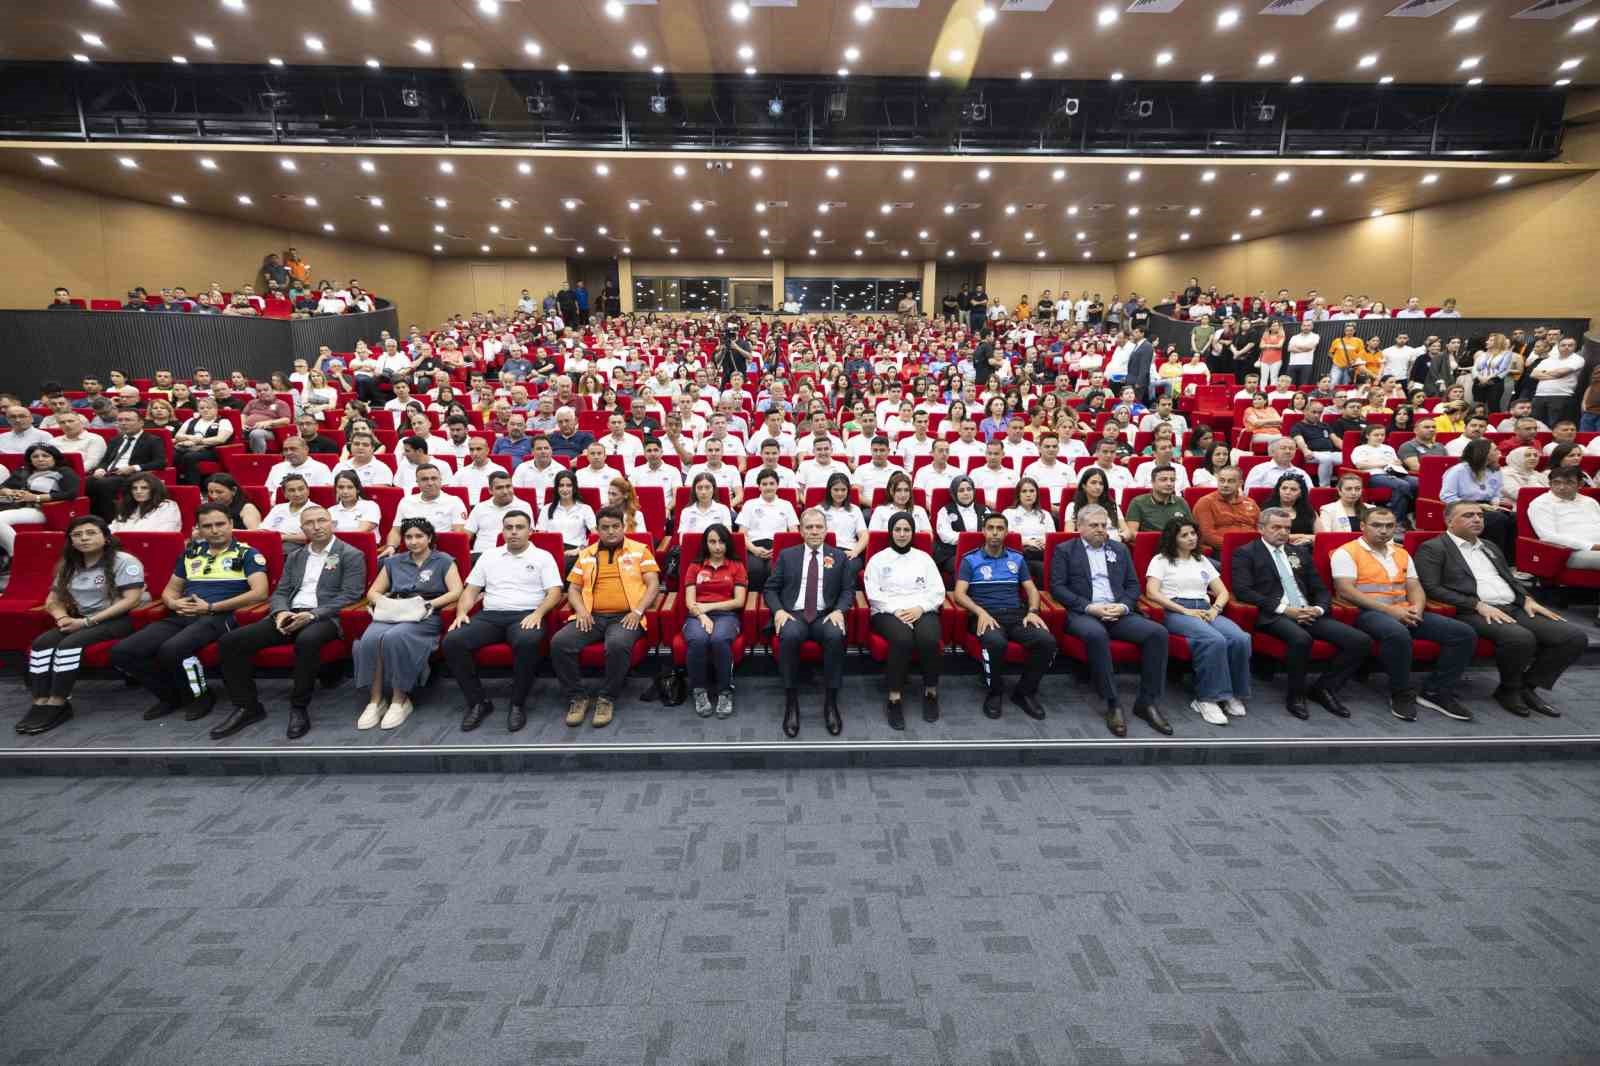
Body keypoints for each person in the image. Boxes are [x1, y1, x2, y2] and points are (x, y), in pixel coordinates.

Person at [1415, 501, 1586, 718]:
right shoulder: (1434, 548)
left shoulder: (1490, 546)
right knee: (1520, 638)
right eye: (1468, 515)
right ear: (1449, 521)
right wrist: (1476, 604)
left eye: (1480, 515)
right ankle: (1509, 689)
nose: (1477, 519)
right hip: (1471, 611)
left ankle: (1527, 686)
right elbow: (1431, 587)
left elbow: (1510, 579)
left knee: (1573, 637)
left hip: (1513, 606)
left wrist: (1527, 599)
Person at [212, 505, 367, 740]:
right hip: (289, 614)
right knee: (231, 641)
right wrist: (281, 612)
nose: (317, 527)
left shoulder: (350, 554)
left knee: (307, 640)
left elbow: (351, 595)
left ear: (332, 523)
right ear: (302, 528)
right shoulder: (296, 556)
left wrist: (313, 615)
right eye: (310, 523)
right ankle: (247, 707)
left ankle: (299, 707)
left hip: (324, 617)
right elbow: (281, 591)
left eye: (322, 520)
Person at [109, 503, 271, 723]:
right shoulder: (191, 553)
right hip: (183, 614)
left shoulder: (247, 554)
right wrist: (173, 603)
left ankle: (200, 696)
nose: (215, 530)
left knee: (172, 650)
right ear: (199, 529)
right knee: (123, 651)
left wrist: (212, 607)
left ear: (231, 524)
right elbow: (170, 591)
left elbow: (260, 593)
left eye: (220, 524)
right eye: (207, 526)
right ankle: (170, 695)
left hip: (220, 616)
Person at [1330, 507, 1477, 722]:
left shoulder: (1401, 553)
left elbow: (1414, 586)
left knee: (1463, 633)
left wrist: (1417, 608)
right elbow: (1346, 591)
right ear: (1362, 526)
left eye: (1389, 526)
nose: (1384, 531)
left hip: (1404, 610)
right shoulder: (1346, 552)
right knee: (1397, 633)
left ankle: (1436, 691)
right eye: (1377, 525)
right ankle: (1401, 692)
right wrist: (1391, 611)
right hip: (1366, 613)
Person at [1231, 507, 1369, 720]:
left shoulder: (1299, 552)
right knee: (1301, 639)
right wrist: (1286, 610)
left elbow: (1320, 589)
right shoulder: (1246, 553)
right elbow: (1243, 591)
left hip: (1307, 612)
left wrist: (1318, 608)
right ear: (1261, 528)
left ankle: (1324, 688)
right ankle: (1296, 696)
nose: (1283, 532)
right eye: (1276, 527)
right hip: (1274, 614)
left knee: (1360, 641)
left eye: (1287, 528)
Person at [18, 517, 149, 735]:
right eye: (77, 535)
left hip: (118, 619)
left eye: (91, 533)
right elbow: (53, 600)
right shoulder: (69, 565)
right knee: (41, 643)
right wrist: (61, 618)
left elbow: (131, 600)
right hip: (79, 619)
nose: (84, 538)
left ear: (106, 537)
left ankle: (58, 702)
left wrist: (86, 622)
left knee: (69, 644)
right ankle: (40, 701)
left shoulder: (124, 561)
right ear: (71, 541)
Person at [1049, 504, 1171, 736]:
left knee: (1158, 633)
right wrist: (1090, 607)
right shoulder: (1065, 550)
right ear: (1080, 527)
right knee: (1097, 634)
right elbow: (1058, 588)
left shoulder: (1119, 549)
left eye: (1104, 525)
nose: (1100, 530)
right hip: (1084, 612)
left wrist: (1123, 606)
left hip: (1118, 612)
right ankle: (1112, 702)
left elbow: (1133, 586)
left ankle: (1147, 701)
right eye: (1094, 525)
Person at [441, 509, 565, 732]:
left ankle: (517, 703)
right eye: (509, 528)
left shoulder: (543, 557)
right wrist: (461, 613)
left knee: (527, 641)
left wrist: (538, 614)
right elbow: (471, 591)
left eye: (520, 527)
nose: (514, 532)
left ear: (530, 531)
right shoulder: (489, 556)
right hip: (490, 615)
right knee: (452, 641)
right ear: (503, 531)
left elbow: (555, 592)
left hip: (526, 614)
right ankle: (478, 702)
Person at [552, 506, 662, 729]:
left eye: (615, 526)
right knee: (559, 643)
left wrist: (638, 611)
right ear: (597, 530)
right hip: (592, 616)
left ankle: (606, 698)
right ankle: (577, 697)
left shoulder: (640, 550)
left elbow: (653, 584)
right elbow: (573, 589)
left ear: (623, 527)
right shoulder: (586, 554)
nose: (611, 531)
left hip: (626, 616)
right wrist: (581, 611)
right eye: (605, 527)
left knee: (617, 645)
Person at [354, 517, 463, 730]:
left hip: (425, 614)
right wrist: (384, 602)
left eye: (419, 536)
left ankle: (400, 699)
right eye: (408, 537)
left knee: (395, 638)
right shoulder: (393, 562)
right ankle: (375, 701)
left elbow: (456, 591)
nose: (413, 541)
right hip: (394, 611)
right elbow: (373, 592)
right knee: (370, 639)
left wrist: (427, 604)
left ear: (429, 538)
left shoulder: (443, 560)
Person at [1142, 518, 1251, 726]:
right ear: (1173, 539)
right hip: (1176, 610)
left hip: (1205, 608)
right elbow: (1152, 592)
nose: (1191, 538)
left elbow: (1223, 592)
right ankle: (1206, 699)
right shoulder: (1161, 560)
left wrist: (1215, 609)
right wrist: (1185, 611)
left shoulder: (1201, 560)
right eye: (1184, 535)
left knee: (1240, 638)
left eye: (1193, 533)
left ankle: (1231, 694)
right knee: (1214, 639)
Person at [952, 512, 1054, 721]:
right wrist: (980, 612)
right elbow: (959, 594)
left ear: (1006, 532)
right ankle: (995, 692)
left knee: (1047, 641)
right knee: (995, 642)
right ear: (983, 531)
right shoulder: (970, 559)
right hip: (986, 615)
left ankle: (1024, 692)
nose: (995, 533)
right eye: (991, 528)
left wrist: (1033, 611)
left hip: (1016, 614)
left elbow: (1032, 590)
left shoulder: (1017, 558)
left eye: (1000, 529)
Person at [765, 507, 854, 738]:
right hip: (794, 614)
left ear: (826, 530)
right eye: (809, 527)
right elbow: (770, 589)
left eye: (819, 527)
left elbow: (848, 591)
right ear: (801, 531)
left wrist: (840, 611)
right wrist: (778, 611)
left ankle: (831, 702)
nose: (814, 531)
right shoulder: (787, 555)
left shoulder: (839, 557)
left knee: (835, 635)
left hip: (826, 614)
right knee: (789, 635)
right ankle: (791, 701)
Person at [864, 511, 946, 730]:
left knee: (929, 638)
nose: (902, 534)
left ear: (913, 532)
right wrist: (896, 610)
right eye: (897, 529)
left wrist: (920, 608)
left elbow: (937, 590)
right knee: (902, 639)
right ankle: (894, 698)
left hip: (921, 609)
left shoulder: (924, 558)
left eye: (906, 530)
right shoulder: (878, 559)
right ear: (891, 532)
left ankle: (930, 692)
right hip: (888, 611)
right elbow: (873, 593)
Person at [681, 523, 747, 720]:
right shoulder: (695, 567)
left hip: (727, 615)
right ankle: (699, 691)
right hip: (696, 615)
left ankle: (725, 691)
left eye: (721, 542)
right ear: (706, 544)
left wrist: (708, 608)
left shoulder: (736, 566)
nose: (717, 547)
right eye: (712, 542)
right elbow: (689, 601)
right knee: (698, 640)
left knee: (719, 639)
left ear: (728, 544)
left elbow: (739, 601)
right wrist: (701, 616)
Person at [0, 444, 79, 561]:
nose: (40, 459)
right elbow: (3, 487)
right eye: (35, 456)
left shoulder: (64, 471)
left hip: (41, 509)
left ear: (54, 457)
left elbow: (70, 493)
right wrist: (8, 491)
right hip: (13, 505)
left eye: (45, 456)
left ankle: (19, 556)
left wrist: (36, 497)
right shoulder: (24, 471)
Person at [86, 409, 167, 520]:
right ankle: (91, 518)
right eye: (120, 420)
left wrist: (134, 468)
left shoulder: (153, 440)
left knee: (104, 484)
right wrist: (101, 469)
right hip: (109, 473)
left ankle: (107, 520)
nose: (123, 423)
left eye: (128, 420)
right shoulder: (116, 440)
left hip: (130, 475)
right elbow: (105, 461)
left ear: (141, 422)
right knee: (86, 482)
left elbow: (160, 462)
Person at [1441, 439, 1515, 558]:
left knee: (1514, 518)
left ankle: (1509, 560)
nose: (1499, 453)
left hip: (1489, 505)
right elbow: (1447, 496)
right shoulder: (1458, 470)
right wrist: (1477, 506)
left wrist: (1495, 503)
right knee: (1497, 519)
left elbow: (1496, 494)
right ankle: (1493, 556)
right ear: (1483, 453)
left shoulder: (1495, 470)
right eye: (1495, 450)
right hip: (1462, 507)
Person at [1526, 466, 1600, 575]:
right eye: (1556, 483)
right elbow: (1548, 537)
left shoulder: (1589, 502)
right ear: (1550, 484)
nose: (1562, 487)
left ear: (1580, 484)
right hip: (1569, 552)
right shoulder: (1541, 504)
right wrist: (1592, 546)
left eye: (1569, 482)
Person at [734, 467, 798, 592]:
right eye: (764, 484)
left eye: (771, 483)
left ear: (777, 485)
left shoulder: (786, 505)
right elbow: (741, 534)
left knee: (772, 569)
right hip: (753, 547)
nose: (768, 487)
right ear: (759, 486)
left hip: (778, 548)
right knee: (755, 569)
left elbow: (794, 533)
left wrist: (779, 550)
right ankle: (753, 598)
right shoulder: (749, 504)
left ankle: (772, 598)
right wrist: (754, 549)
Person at [1349, 424, 1416, 528]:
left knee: (1417, 482)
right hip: (1374, 475)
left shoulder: (1389, 448)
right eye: (1376, 435)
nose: (1380, 437)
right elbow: (1360, 465)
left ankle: (1410, 512)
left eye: (1382, 435)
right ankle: (1397, 520)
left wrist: (1398, 463)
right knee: (1402, 485)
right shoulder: (1360, 449)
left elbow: (1395, 462)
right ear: (1367, 436)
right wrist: (1383, 464)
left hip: (1395, 472)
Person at [1192, 466, 1259, 555]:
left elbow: (1260, 529)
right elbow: (1207, 535)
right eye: (1222, 480)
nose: (1225, 485)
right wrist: (1235, 547)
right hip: (1223, 550)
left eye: (1231, 481)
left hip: (1253, 549)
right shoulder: (1205, 502)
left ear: (1240, 483)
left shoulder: (1251, 502)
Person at [171, 395, 234, 484]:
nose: (205, 410)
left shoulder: (223, 421)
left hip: (211, 450)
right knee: (174, 454)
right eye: (202, 408)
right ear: (198, 410)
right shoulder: (191, 420)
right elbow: (178, 435)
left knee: (190, 456)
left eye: (209, 408)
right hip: (189, 447)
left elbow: (220, 439)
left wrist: (198, 441)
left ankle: (193, 485)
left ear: (216, 409)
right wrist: (191, 438)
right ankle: (176, 483)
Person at [1124, 466, 1193, 534]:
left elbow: (1191, 529)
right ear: (1152, 482)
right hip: (1151, 541)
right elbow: (1132, 533)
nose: (1169, 483)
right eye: (1163, 480)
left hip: (1177, 540)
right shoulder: (1138, 502)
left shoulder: (1181, 502)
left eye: (1172, 480)